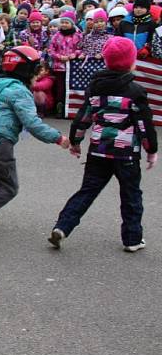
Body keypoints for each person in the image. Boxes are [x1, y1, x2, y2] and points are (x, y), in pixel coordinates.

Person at [48, 37, 157, 252]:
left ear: (106, 61)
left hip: (98, 150)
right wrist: (151, 150)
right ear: (131, 62)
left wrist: (76, 142)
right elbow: (144, 124)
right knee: (131, 195)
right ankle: (132, 238)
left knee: (87, 191)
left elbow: (83, 117)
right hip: (126, 154)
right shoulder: (135, 91)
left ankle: (63, 226)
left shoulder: (95, 88)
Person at [0, 46, 70, 235]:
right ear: (25, 70)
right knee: (8, 187)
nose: (39, 74)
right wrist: (58, 138)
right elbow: (33, 124)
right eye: (36, 70)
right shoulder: (19, 91)